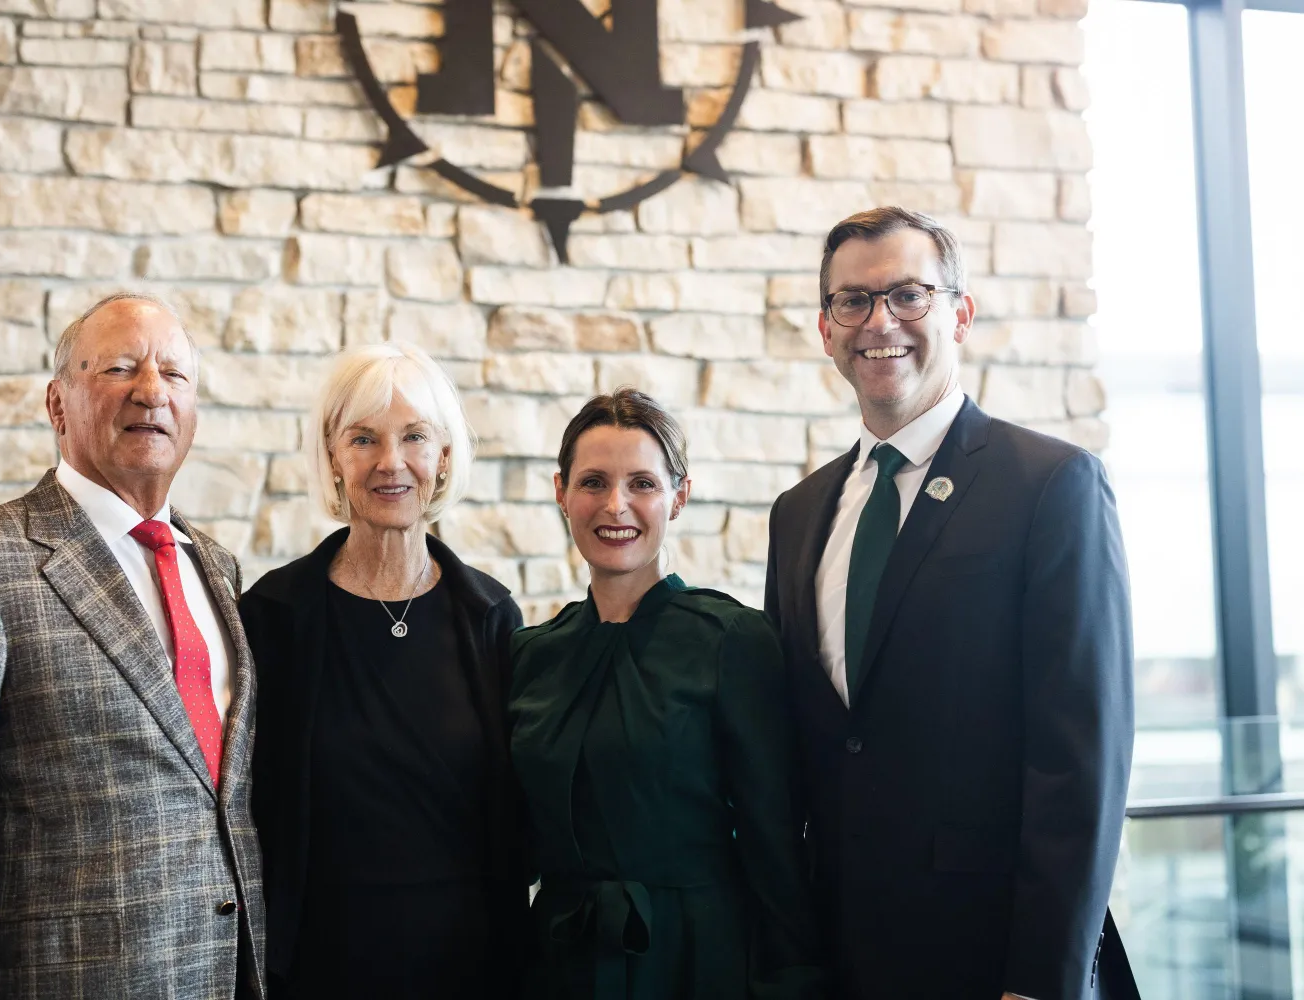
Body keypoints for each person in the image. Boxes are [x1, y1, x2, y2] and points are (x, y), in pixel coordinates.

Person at [764, 206, 1138, 1000]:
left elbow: (1081, 763)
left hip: (993, 958)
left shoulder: (1050, 485)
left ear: (959, 314)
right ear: (826, 329)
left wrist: (1043, 980)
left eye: (908, 295)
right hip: (840, 958)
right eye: (852, 302)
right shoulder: (797, 514)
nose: (879, 322)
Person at [0, 293, 265, 998]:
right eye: (118, 366)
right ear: (57, 404)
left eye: (174, 374)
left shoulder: (219, 568)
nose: (150, 390)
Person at [509, 388, 825, 1000]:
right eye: (593, 482)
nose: (615, 505)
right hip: (560, 960)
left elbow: (775, 843)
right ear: (561, 494)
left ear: (677, 497)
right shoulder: (531, 654)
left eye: (642, 484)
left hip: (697, 958)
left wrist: (793, 980)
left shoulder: (730, 640)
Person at [238, 342, 529, 1000]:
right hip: (317, 966)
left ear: (444, 457)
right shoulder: (272, 617)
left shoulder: (490, 617)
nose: (390, 462)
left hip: (470, 967)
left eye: (414, 437)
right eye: (364, 438)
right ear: (333, 456)